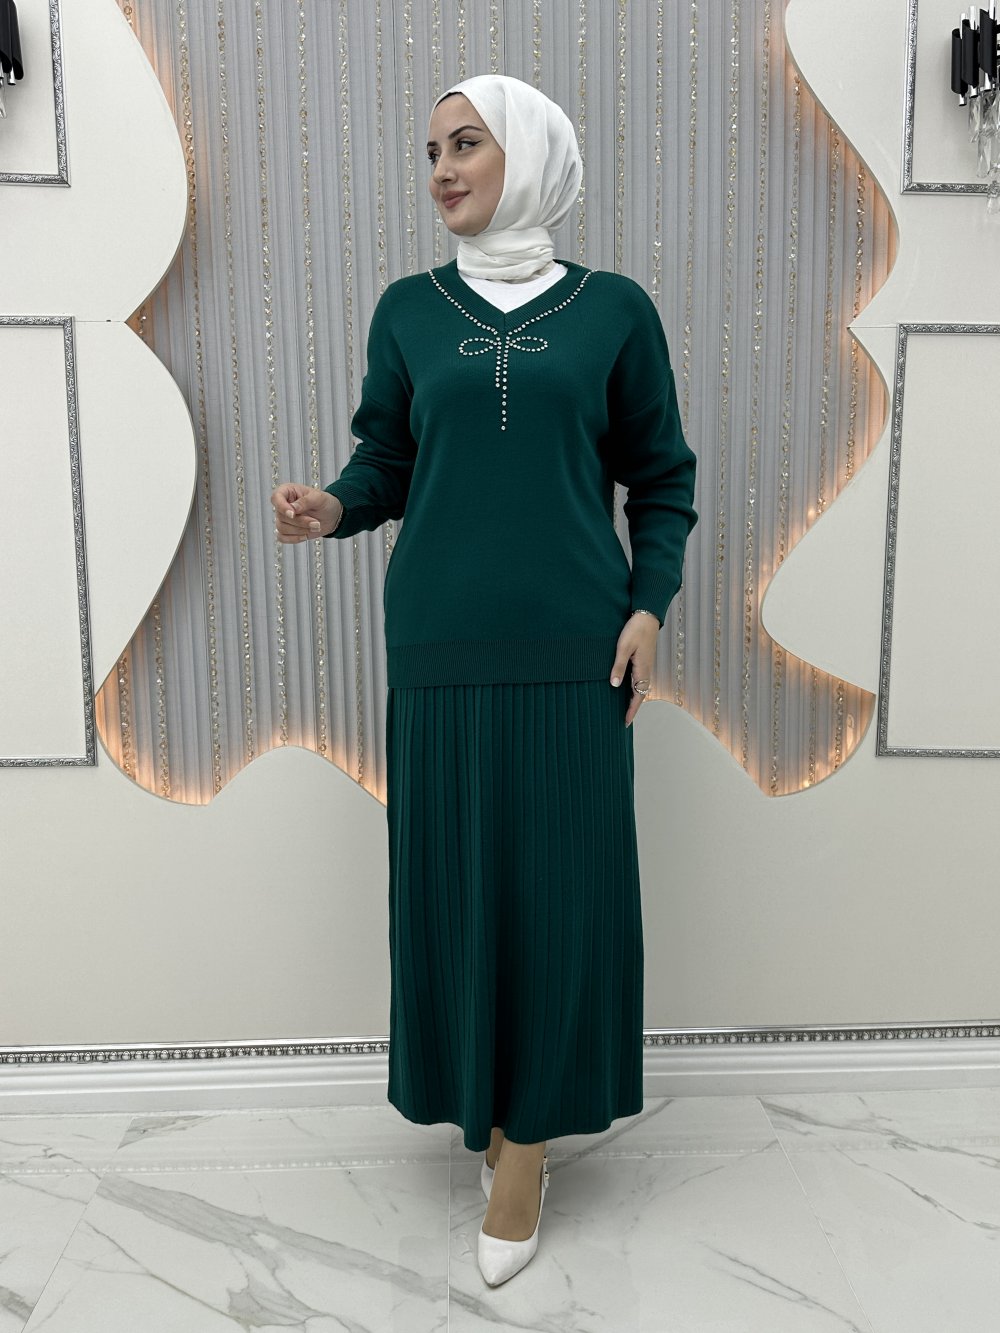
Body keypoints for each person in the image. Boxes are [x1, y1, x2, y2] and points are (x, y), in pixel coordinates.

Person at [271, 73, 698, 1288]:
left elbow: (660, 477)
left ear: (530, 153)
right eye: (430, 151)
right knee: (455, 887)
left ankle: (527, 1145)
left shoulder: (614, 311)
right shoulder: (409, 310)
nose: (443, 169)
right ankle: (484, 1105)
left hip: (574, 647)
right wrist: (333, 506)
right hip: (440, 643)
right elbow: (387, 459)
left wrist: (649, 606)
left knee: (564, 893)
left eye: (466, 144)